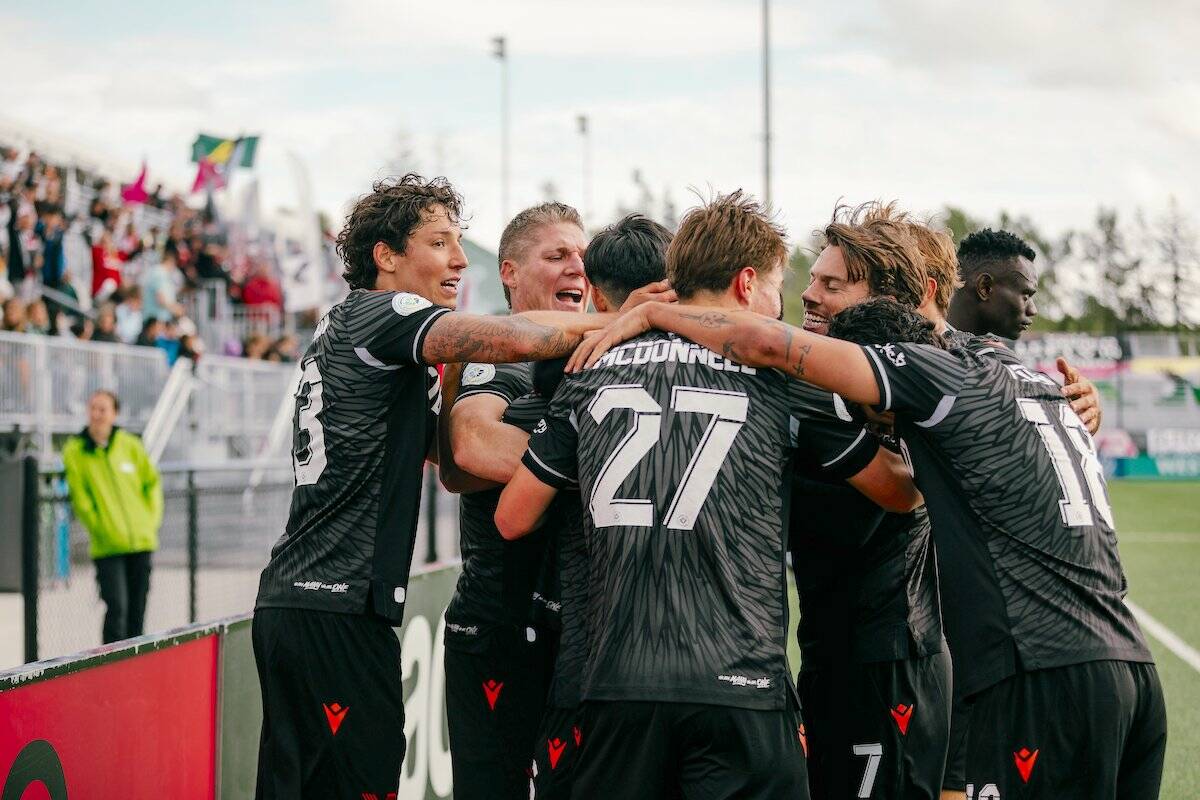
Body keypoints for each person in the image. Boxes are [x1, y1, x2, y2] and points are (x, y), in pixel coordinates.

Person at [573, 289, 1166, 800]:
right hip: (1134, 671)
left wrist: (654, 316)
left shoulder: (927, 375)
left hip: (1043, 676)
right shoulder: (1017, 372)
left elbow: (766, 344)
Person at [496, 192, 920, 800]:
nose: (783, 303)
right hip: (740, 686)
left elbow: (512, 518)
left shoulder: (593, 367)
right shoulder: (784, 376)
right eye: (777, 284)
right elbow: (897, 493)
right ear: (748, 284)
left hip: (616, 685)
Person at [251, 174, 614, 800]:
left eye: (457, 242)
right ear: (385, 257)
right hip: (335, 602)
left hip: (306, 602)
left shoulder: (361, 334)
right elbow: (511, 339)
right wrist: (631, 318)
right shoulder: (387, 313)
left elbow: (449, 462)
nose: (454, 259)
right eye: (438, 242)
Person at [792, 203, 951, 800]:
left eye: (832, 284)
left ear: (886, 304)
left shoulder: (933, 386)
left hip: (891, 658)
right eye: (812, 277)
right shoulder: (817, 385)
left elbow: (900, 495)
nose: (809, 295)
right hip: (829, 649)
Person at [438, 202, 592, 799]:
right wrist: (611, 469)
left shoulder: (599, 351)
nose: (575, 268)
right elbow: (473, 443)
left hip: (582, 628)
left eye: (581, 256)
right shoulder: (496, 350)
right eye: (556, 256)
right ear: (509, 273)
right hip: (501, 625)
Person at [525, 212, 675, 800]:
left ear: (593, 284)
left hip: (596, 646)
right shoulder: (739, 364)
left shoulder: (573, 367)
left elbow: (512, 516)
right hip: (708, 654)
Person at [61, 390, 163, 644]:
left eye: (103, 409)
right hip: (107, 545)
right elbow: (81, 498)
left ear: (114, 414)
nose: (97, 414)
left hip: (141, 541)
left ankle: (136, 665)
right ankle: (112, 669)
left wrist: (149, 522)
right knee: (117, 608)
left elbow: (152, 484)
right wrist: (100, 527)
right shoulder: (76, 451)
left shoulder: (130, 444)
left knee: (137, 610)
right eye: (93, 408)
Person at [946, 228, 1038, 341]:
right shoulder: (925, 352)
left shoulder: (987, 354)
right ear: (985, 287)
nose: (1033, 310)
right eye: (1026, 296)